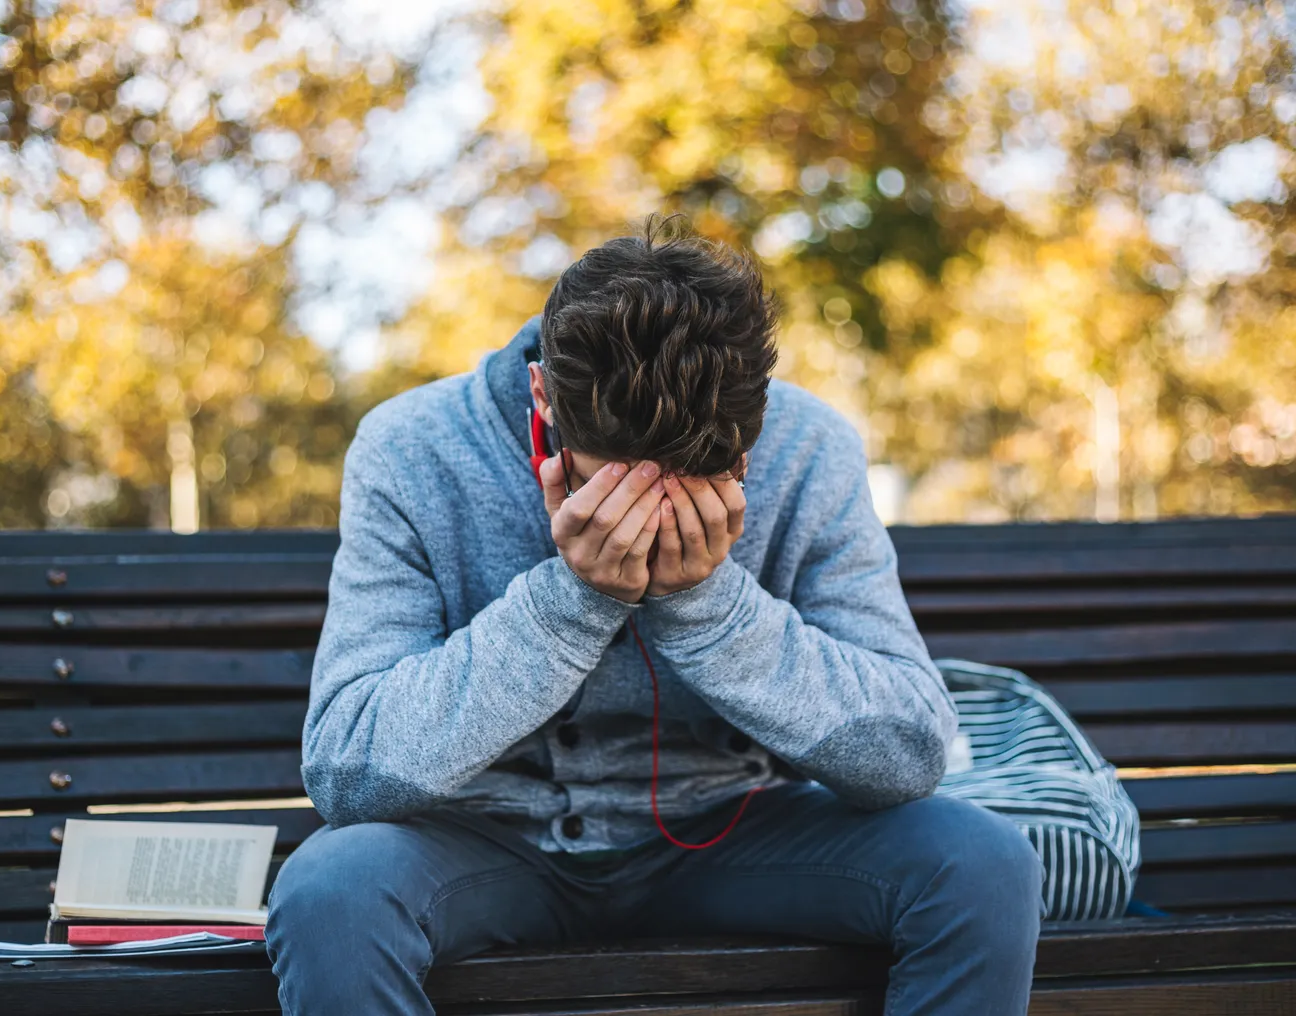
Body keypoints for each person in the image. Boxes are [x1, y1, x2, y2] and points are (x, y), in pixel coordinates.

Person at [265, 217, 1043, 1015]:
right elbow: (349, 768)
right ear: (544, 396)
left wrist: (710, 607)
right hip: (483, 841)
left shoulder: (812, 450)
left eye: (700, 481)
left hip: (733, 830)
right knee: (332, 892)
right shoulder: (411, 448)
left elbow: (911, 752)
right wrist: (571, 602)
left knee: (982, 865)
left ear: (756, 427)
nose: (651, 515)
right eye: (617, 486)